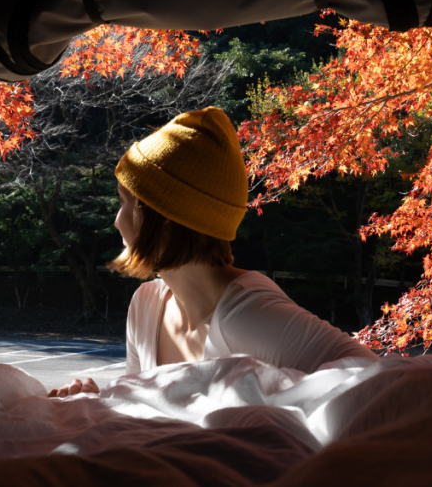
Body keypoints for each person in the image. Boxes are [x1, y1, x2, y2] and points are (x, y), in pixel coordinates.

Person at [48, 107, 376, 398]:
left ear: (163, 218)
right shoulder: (144, 307)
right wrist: (102, 399)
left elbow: (377, 384)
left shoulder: (247, 317)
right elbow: (142, 416)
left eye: (125, 203)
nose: (117, 221)